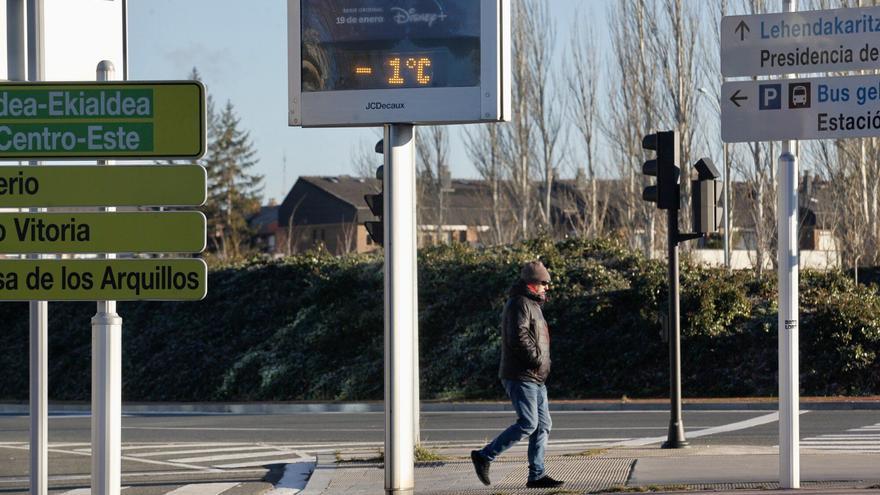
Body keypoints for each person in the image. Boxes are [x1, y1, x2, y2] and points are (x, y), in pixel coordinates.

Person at [470, 260, 564, 489]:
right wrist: (538, 359)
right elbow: (519, 337)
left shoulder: (532, 304)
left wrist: (542, 364)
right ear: (532, 283)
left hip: (535, 376)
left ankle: (537, 476)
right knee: (529, 423)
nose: (547, 287)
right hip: (521, 374)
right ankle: (484, 456)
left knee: (543, 425)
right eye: (544, 283)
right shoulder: (519, 303)